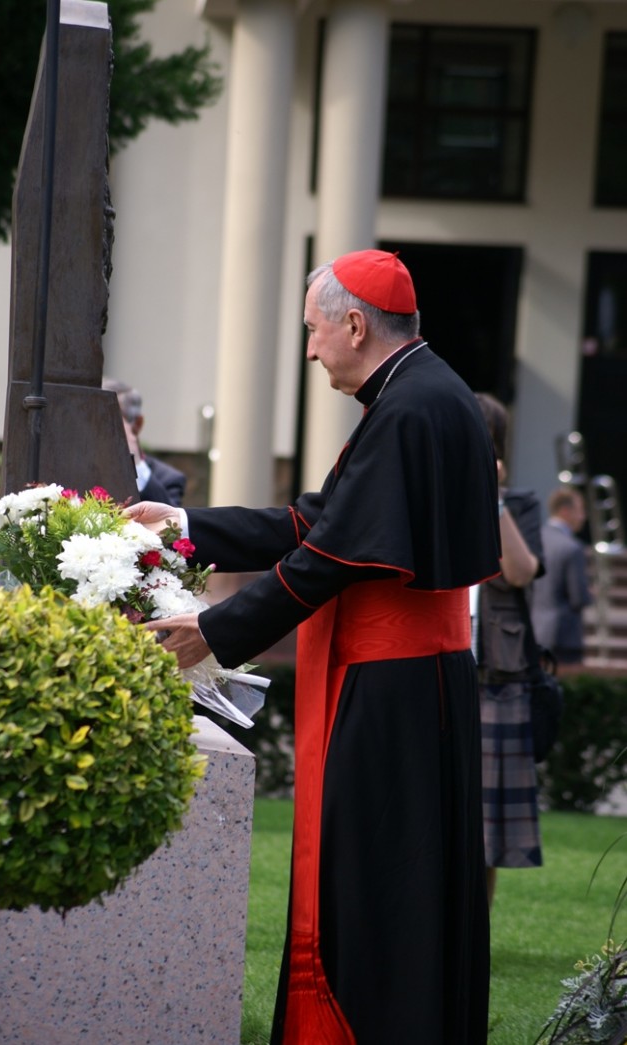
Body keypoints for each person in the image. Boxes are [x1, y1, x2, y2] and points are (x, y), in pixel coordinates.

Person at [125, 249, 501, 1044]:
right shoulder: (423, 393)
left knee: (376, 890)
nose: (309, 348)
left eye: (314, 328)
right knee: (392, 889)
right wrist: (185, 526)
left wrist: (215, 631)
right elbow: (317, 522)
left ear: (356, 324)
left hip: (392, 693)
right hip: (412, 684)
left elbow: (329, 558)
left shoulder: (409, 408)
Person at [473, 393, 545, 909]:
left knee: (488, 819)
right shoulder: (435, 494)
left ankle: (476, 922)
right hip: (436, 661)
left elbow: (521, 572)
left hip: (498, 674)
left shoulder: (518, 504)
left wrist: (492, 496)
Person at [103, 377, 186, 506]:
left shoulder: (168, 479)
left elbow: (173, 524)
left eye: (108, 419)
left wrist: (134, 463)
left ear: (137, 424)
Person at [532, 486, 592, 664]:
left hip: (534, 631)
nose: (583, 517)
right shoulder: (572, 548)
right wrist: (590, 594)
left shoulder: (533, 539)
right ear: (566, 511)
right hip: (564, 637)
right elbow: (578, 598)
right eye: (580, 510)